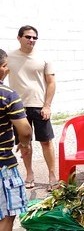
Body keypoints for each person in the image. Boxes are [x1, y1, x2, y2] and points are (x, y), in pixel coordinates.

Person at [8, 25, 58, 191]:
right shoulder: (9, 57)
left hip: (39, 106)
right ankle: (29, 174)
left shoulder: (44, 58)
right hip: (18, 108)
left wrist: (47, 105)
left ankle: (52, 175)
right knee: (24, 143)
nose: (31, 40)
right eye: (28, 37)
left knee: (46, 142)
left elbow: (51, 83)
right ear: (19, 38)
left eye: (34, 38)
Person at [0, 49, 33, 231]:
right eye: (5, 66)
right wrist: (25, 143)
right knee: (7, 212)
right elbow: (25, 130)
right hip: (3, 165)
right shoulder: (7, 94)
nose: (7, 70)